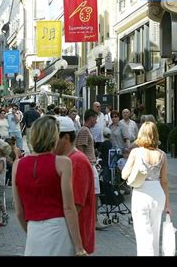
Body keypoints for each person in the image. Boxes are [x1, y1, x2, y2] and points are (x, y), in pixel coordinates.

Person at [12, 116, 86, 256]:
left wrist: (31, 232)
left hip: (33, 230)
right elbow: (69, 207)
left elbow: (19, 211)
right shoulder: (63, 163)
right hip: (58, 229)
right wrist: (78, 246)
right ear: (54, 137)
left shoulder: (18, 165)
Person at [121, 122, 171, 256]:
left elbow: (124, 174)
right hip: (158, 193)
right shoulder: (162, 154)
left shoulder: (136, 152)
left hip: (141, 193)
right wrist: (167, 204)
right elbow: (165, 181)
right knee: (155, 233)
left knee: (143, 235)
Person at [54, 116, 96, 255]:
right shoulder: (67, 160)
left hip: (75, 237)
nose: (50, 143)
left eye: (53, 138)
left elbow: (75, 205)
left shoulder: (77, 161)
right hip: (69, 235)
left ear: (66, 138)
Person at [76, 109, 107, 230]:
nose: (96, 121)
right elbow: (80, 149)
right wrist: (85, 165)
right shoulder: (84, 130)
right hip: (88, 164)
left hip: (90, 163)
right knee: (94, 192)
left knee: (95, 193)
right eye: (95, 119)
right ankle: (93, 221)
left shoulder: (86, 130)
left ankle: (93, 219)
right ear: (91, 118)